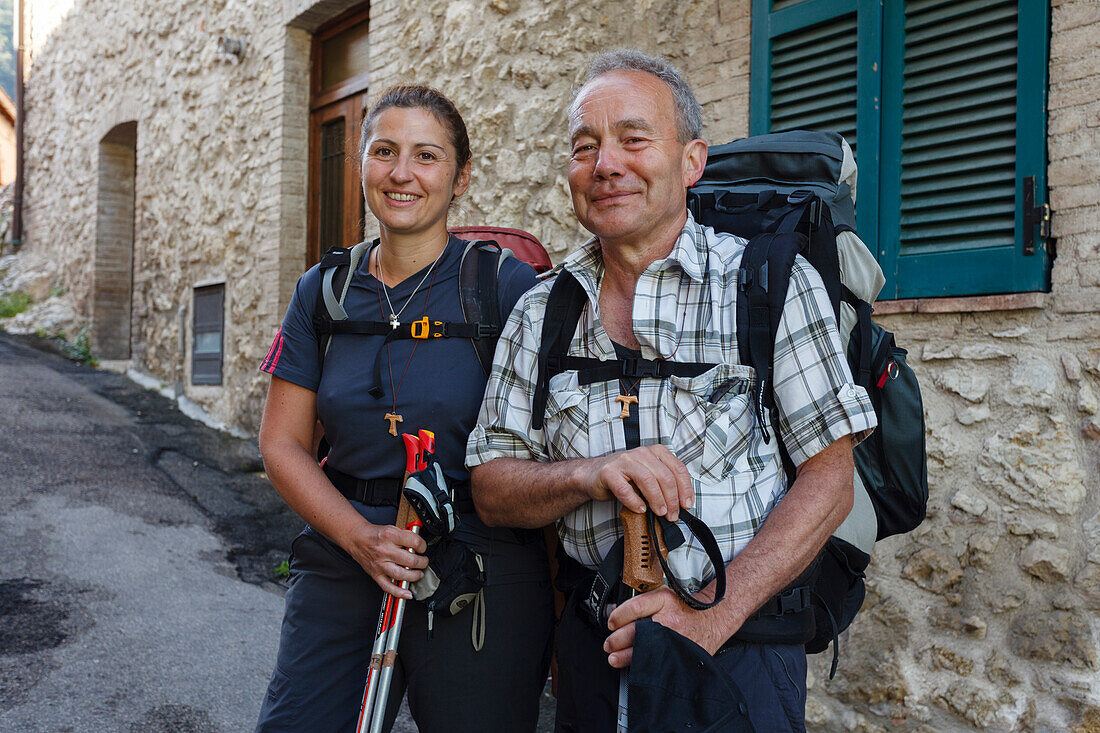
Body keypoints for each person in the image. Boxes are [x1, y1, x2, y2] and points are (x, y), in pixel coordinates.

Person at [466, 51, 877, 732]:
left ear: (691, 161)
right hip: (596, 647)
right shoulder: (542, 312)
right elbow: (492, 486)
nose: (605, 164)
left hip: (739, 647)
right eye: (585, 146)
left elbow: (830, 480)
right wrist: (591, 474)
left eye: (633, 139)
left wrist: (708, 615)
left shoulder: (769, 284)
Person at [255, 85, 553, 732]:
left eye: (426, 155)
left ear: (460, 176)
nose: (402, 173)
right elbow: (281, 443)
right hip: (343, 545)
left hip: (478, 558)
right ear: (362, 164)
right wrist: (358, 536)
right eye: (385, 151)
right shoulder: (323, 290)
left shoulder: (503, 287)